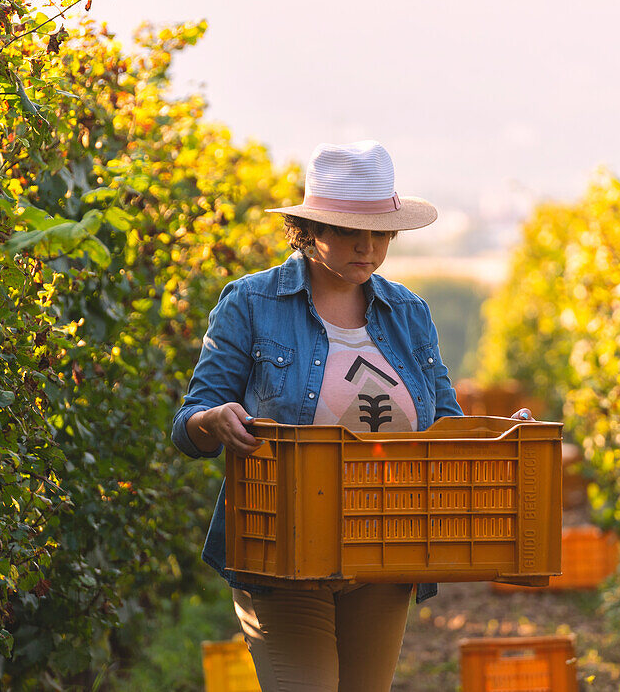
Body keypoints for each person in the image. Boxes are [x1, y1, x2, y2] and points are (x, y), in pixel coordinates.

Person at [171, 140, 464, 691]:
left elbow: (445, 423)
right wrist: (213, 422)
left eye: (380, 232)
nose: (369, 247)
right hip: (285, 555)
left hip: (386, 552)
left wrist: (502, 433)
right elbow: (189, 423)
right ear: (309, 230)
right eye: (351, 231)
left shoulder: (408, 312)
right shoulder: (251, 304)